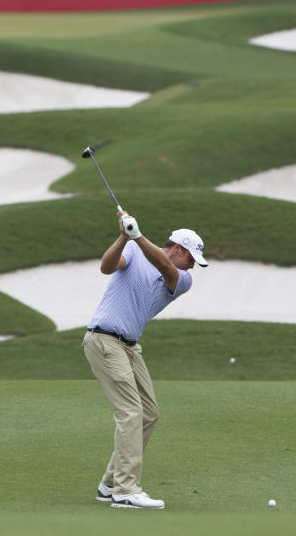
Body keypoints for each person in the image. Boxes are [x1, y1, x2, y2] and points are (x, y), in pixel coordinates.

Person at [83, 209, 208, 510]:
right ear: (178, 247)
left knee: (149, 413)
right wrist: (124, 237)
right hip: (103, 340)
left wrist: (137, 236)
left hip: (129, 347)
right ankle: (126, 489)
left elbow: (164, 265)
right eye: (190, 258)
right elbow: (106, 266)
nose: (193, 266)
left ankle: (110, 483)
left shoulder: (183, 279)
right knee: (130, 412)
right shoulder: (133, 250)